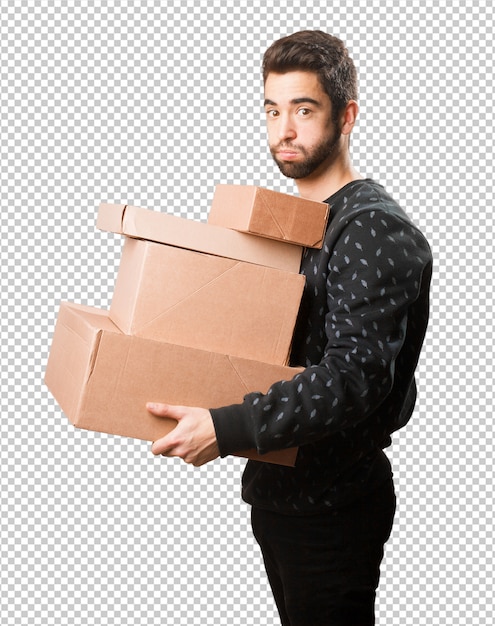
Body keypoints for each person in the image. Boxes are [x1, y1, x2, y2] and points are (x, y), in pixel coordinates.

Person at [148, 30, 432, 626]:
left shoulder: (372, 230)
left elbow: (352, 378)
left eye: (304, 110)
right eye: (273, 111)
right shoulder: (298, 227)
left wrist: (227, 426)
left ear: (347, 115)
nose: (285, 130)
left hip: (333, 507)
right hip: (280, 492)